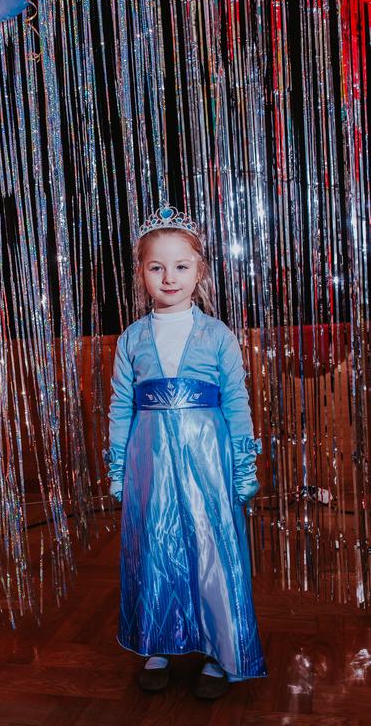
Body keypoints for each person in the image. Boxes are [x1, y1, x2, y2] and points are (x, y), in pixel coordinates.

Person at [103, 204, 267, 699]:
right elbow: (121, 407)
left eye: (180, 266)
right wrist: (118, 469)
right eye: (157, 267)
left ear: (199, 271)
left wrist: (242, 465)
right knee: (154, 546)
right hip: (149, 461)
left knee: (210, 546)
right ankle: (157, 643)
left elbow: (236, 401)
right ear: (141, 274)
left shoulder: (217, 336)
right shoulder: (132, 340)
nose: (169, 277)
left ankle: (219, 650)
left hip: (207, 461)